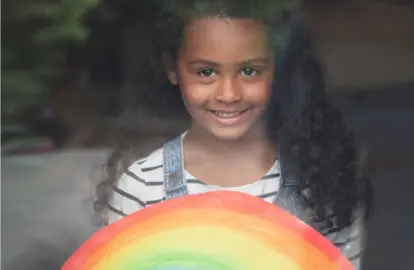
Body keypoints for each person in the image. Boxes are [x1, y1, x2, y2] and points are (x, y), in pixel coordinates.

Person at [94, 1, 373, 269]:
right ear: (172, 69)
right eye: (206, 72)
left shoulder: (324, 185)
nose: (229, 94)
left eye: (249, 71)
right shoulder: (143, 187)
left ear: (277, 69)